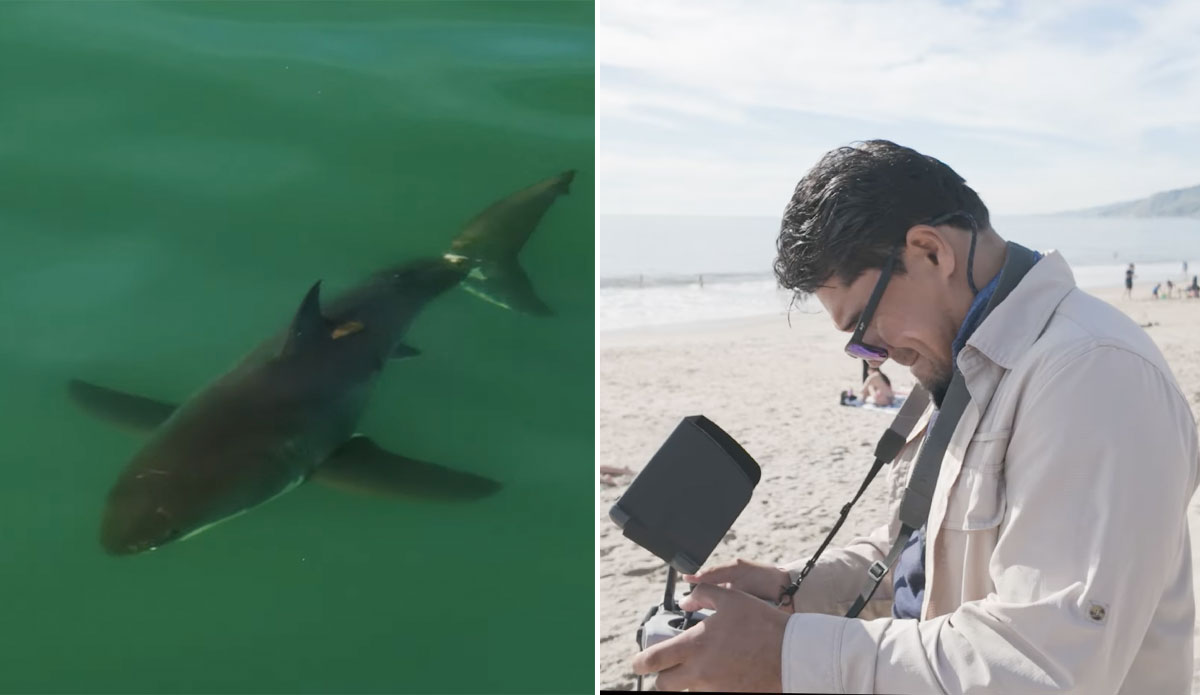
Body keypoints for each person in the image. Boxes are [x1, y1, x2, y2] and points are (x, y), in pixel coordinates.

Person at [632, 140, 1199, 693]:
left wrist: (784, 654)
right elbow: (927, 552)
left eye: (864, 327)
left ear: (931, 252)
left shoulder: (1090, 374)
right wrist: (798, 589)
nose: (877, 355)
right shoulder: (973, 359)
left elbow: (1043, 664)